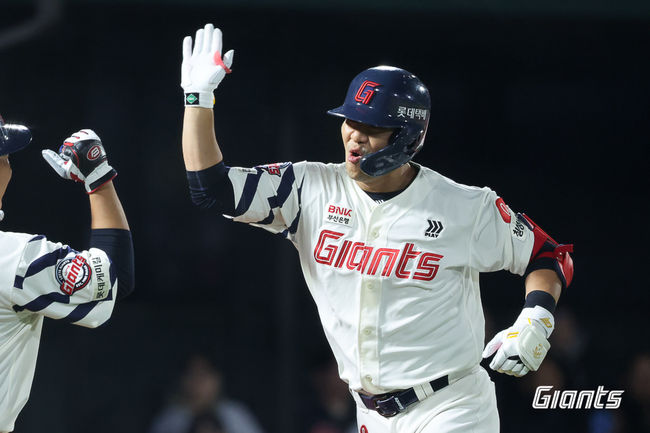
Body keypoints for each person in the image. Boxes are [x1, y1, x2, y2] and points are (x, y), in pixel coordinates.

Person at [179, 23, 574, 433]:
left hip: (451, 406)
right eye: (350, 120)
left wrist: (536, 318)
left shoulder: (463, 206)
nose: (355, 136)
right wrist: (197, 99)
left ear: (407, 137)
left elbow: (548, 254)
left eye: (372, 128)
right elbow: (212, 189)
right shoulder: (307, 188)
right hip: (369, 413)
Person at [0, 117, 134, 432]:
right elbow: (115, 278)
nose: (8, 167)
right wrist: (98, 177)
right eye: (4, 158)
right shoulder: (13, 258)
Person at [149, 353, 266, 433]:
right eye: (192, 375)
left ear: (217, 379)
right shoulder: (170, 419)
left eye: (204, 375)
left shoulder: (234, 414)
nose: (198, 382)